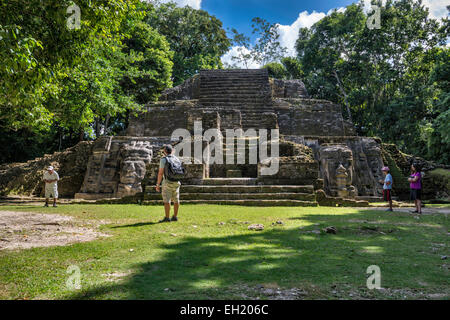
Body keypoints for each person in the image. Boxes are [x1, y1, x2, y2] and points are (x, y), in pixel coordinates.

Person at [156, 145, 181, 223]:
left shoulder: (164, 160)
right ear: (171, 151)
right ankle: (175, 216)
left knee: (167, 200)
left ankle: (167, 218)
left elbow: (160, 173)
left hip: (167, 182)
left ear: (165, 151)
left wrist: (158, 184)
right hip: (177, 182)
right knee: (176, 199)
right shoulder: (177, 159)